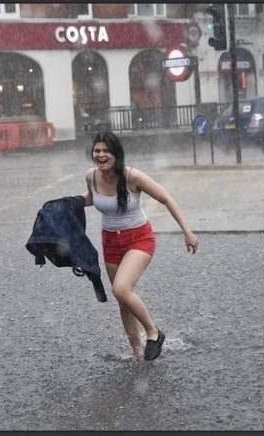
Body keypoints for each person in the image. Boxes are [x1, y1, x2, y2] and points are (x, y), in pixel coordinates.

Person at [82, 131, 199, 361]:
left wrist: (188, 232)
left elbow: (166, 199)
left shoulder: (132, 176)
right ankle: (137, 353)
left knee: (121, 289)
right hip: (111, 242)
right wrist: (67, 205)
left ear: (116, 154)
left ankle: (153, 333)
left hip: (139, 238)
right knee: (123, 300)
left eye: (106, 151)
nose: (101, 155)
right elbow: (91, 198)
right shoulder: (91, 176)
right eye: (97, 150)